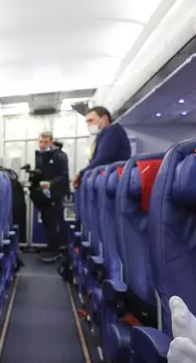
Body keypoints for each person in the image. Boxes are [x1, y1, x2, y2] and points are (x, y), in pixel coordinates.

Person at [28, 131, 69, 263]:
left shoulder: (60, 156)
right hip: (44, 196)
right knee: (46, 221)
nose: (42, 145)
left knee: (53, 223)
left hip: (55, 194)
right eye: (40, 142)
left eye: (45, 142)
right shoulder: (41, 156)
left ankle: (54, 251)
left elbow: (64, 176)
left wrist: (51, 183)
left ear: (51, 142)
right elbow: (42, 173)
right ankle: (50, 248)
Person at [72, 106, 131, 189]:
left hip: (113, 178)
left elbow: (102, 158)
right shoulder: (103, 134)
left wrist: (81, 174)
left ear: (104, 119)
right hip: (111, 177)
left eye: (91, 120)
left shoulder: (111, 130)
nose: (88, 125)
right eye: (87, 122)